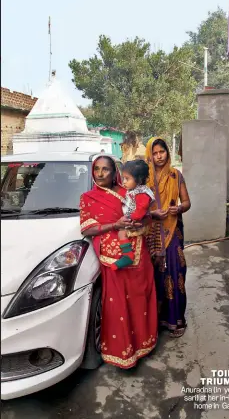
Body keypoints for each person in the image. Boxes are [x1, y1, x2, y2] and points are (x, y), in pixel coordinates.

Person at [79, 156, 157, 368]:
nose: (100, 173)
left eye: (106, 169)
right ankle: (122, 352)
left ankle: (142, 345)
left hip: (138, 255)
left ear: (115, 173)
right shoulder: (88, 197)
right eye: (97, 169)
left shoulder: (129, 192)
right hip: (113, 257)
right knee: (118, 304)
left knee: (140, 299)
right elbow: (87, 229)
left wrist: (147, 218)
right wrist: (114, 225)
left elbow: (144, 214)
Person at [145, 137, 191, 338]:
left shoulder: (176, 175)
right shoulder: (143, 178)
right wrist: (152, 214)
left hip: (173, 230)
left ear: (167, 152)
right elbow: (135, 206)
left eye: (161, 152)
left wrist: (178, 208)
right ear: (150, 155)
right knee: (154, 276)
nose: (158, 157)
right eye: (154, 153)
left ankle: (176, 319)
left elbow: (187, 202)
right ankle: (156, 320)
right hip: (151, 232)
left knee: (175, 271)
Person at [111, 159, 155, 271]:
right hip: (134, 219)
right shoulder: (133, 189)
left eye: (127, 179)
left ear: (139, 180)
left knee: (121, 233)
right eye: (123, 178)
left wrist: (131, 218)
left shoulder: (142, 193)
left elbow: (141, 208)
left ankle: (128, 256)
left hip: (137, 222)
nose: (124, 182)